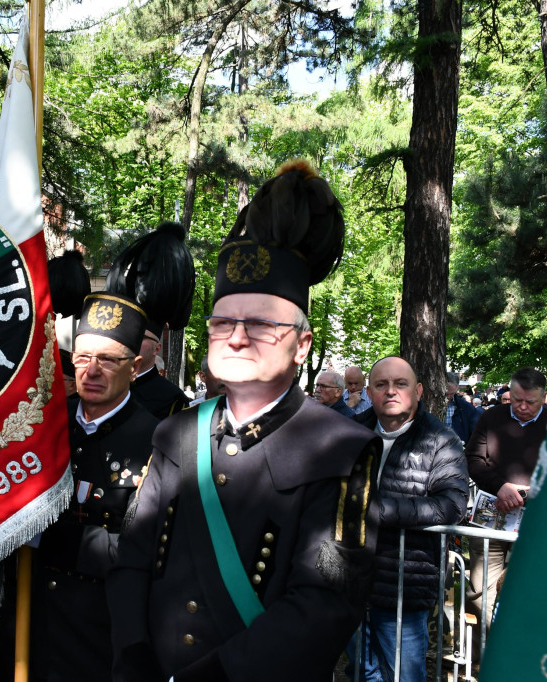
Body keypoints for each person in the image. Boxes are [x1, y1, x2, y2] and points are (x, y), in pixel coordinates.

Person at [108, 161, 381, 681]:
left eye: (259, 324)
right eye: (223, 322)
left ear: (302, 344)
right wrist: (133, 660)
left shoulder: (343, 448)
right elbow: (132, 560)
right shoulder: (175, 434)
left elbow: (326, 605)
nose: (235, 337)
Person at [29, 292, 160, 681]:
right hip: (35, 618)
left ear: (135, 367)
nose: (92, 370)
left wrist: (46, 538)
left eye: (108, 359)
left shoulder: (159, 441)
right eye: (83, 357)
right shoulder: (42, 426)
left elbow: (145, 552)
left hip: (103, 630)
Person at [351, 357, 468, 681]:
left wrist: (379, 511)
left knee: (404, 674)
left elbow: (452, 505)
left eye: (400, 384)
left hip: (404, 582)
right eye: (381, 384)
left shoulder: (441, 441)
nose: (391, 391)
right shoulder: (348, 434)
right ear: (369, 391)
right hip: (348, 579)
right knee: (361, 671)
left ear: (418, 391)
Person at [465, 367, 547, 651]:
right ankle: (489, 653)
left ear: (544, 398)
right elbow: (474, 460)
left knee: (533, 587)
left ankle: (525, 651)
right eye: (516, 400)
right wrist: (500, 486)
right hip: (491, 515)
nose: (523, 407)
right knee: (479, 590)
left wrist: (531, 493)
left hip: (538, 521)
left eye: (531, 402)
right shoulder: (491, 417)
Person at [105, 222, 196, 420]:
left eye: (142, 336)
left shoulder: (172, 399)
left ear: (156, 348)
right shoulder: (100, 387)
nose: (132, 341)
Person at [444, 371, 482, 444]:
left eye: (451, 394)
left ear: (457, 388)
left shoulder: (466, 408)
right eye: (446, 394)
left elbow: (474, 433)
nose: (448, 397)